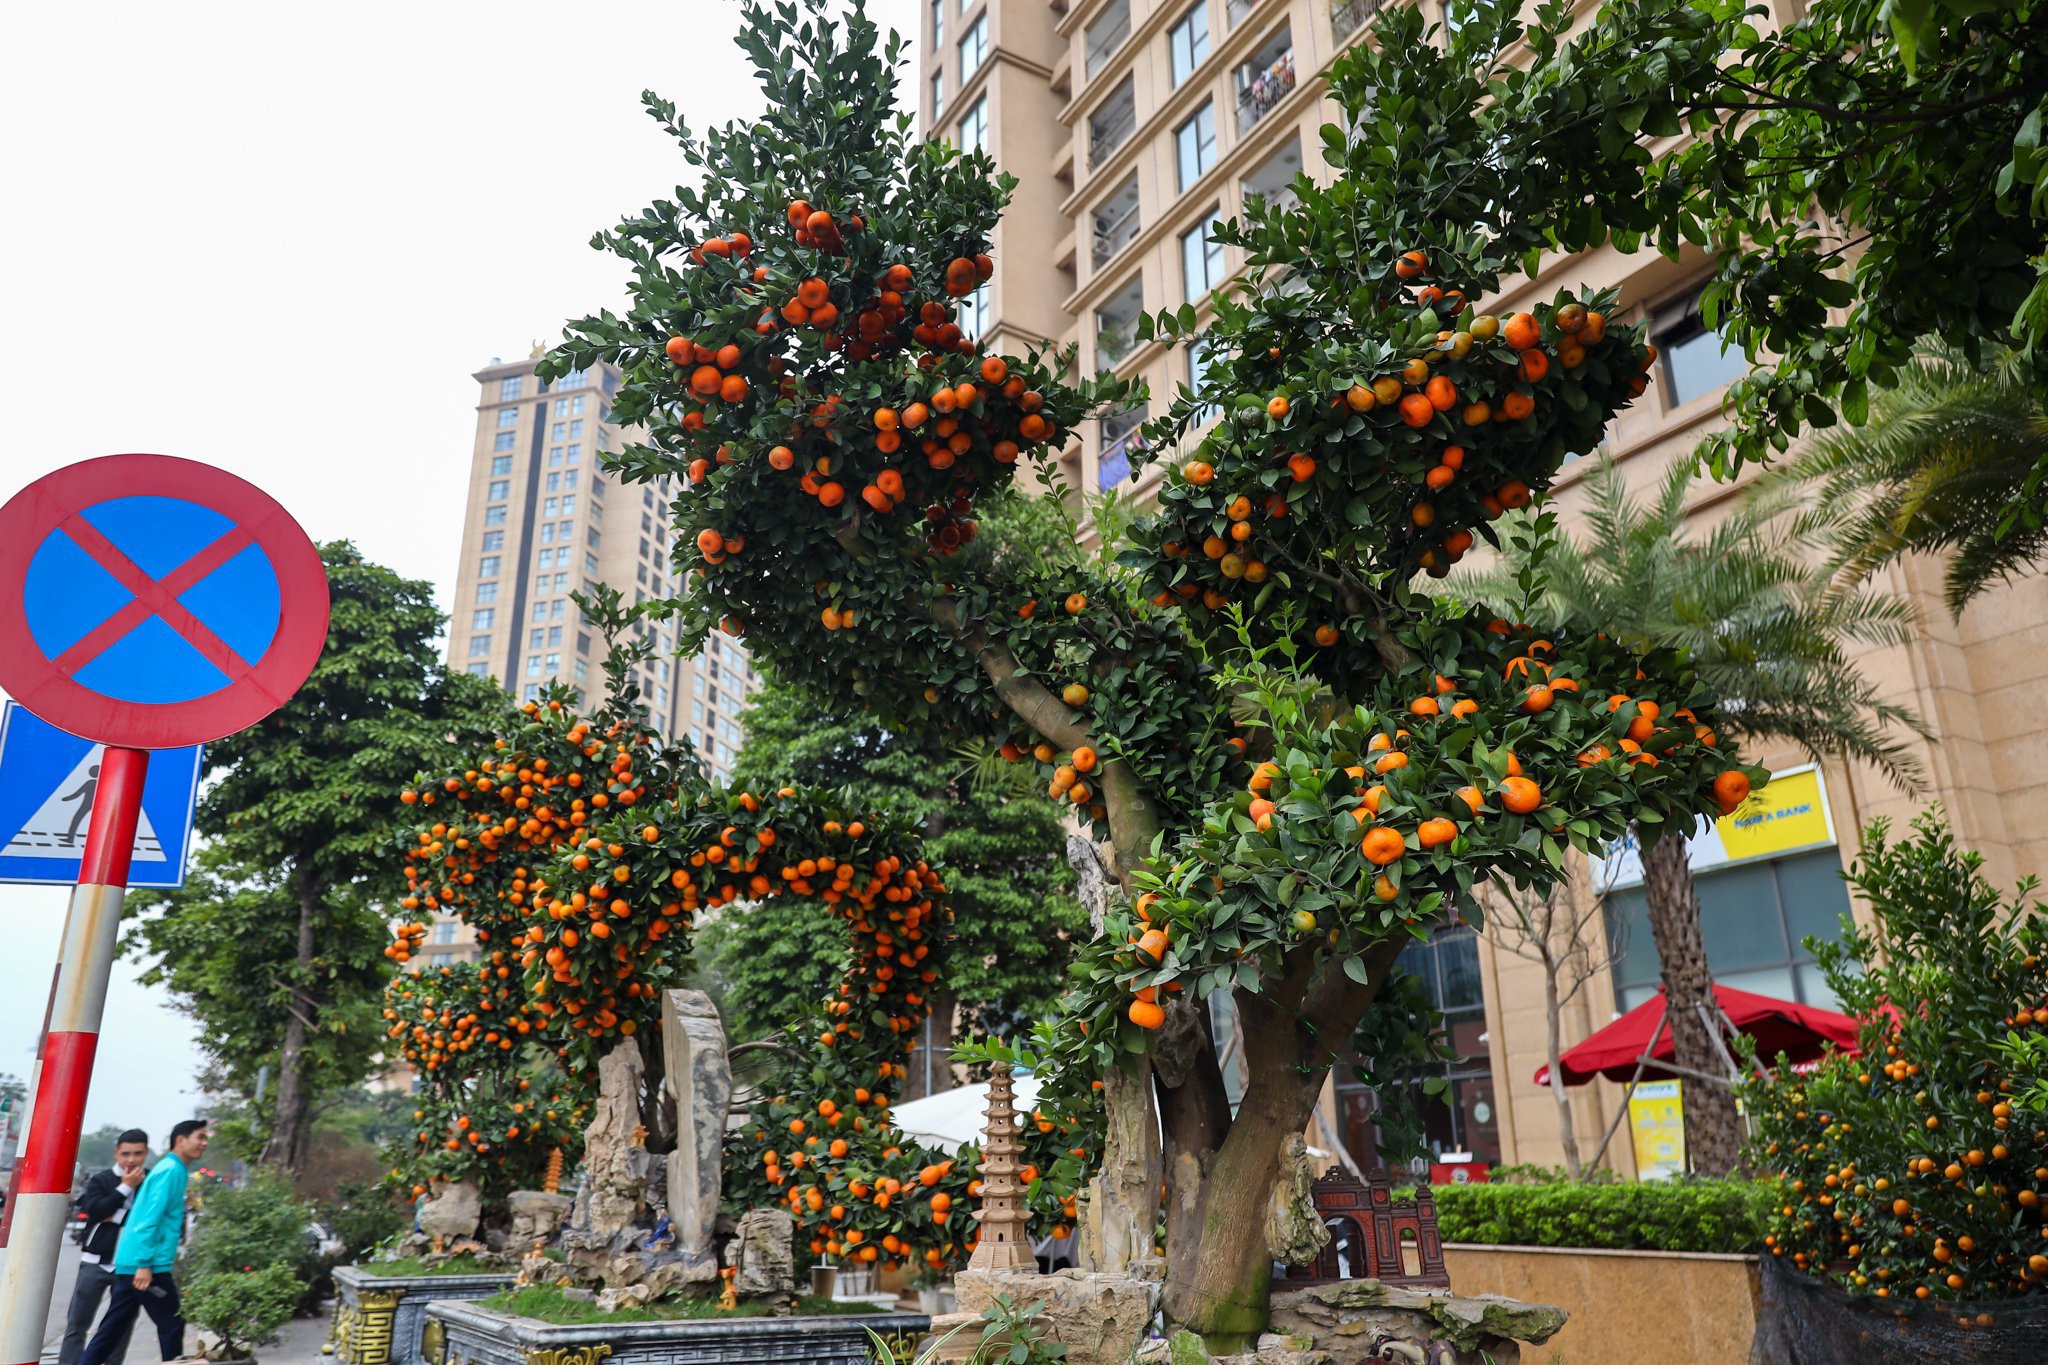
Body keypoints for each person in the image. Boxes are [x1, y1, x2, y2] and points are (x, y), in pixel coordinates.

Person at [78, 1120, 208, 1365]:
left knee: (110, 1331)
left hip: (135, 1263)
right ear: (181, 1140)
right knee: (172, 1324)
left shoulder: (173, 1169)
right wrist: (144, 1264)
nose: (204, 1143)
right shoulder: (170, 1170)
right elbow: (149, 1220)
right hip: (147, 1265)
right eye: (199, 1137)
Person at [58, 1129, 149, 1365]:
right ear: (116, 1153)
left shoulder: (151, 1180)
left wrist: (115, 1214)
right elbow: (96, 1211)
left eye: (137, 1154)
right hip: (94, 1262)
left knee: (121, 1325)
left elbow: (149, 1219)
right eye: (126, 1153)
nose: (131, 1159)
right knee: (77, 1324)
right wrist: (125, 1188)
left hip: (131, 1265)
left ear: (146, 1153)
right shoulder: (101, 1180)